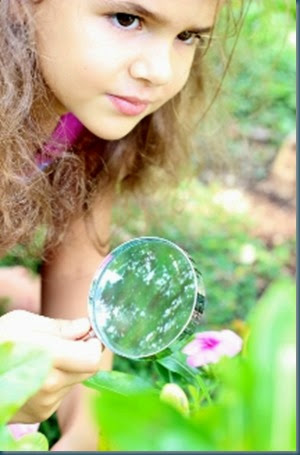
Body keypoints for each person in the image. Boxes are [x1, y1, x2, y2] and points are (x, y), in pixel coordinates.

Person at [0, 0, 236, 450]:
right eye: (127, 19)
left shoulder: (84, 115)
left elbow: (76, 268)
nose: (160, 71)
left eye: (187, 37)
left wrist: (86, 433)